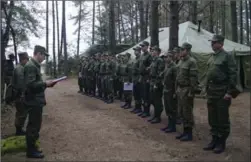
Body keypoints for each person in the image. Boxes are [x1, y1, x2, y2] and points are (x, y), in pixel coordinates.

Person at [203, 35, 237, 154]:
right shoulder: (212, 57)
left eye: (214, 42)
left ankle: (221, 142)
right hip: (212, 91)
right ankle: (214, 139)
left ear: (221, 43)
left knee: (222, 118)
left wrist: (229, 92)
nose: (212, 44)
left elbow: (233, 75)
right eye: (211, 42)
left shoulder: (227, 56)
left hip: (222, 91)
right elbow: (208, 74)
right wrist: (206, 89)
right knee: (212, 117)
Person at [24, 45, 56, 158]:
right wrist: (45, 84)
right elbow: (30, 85)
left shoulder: (34, 65)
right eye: (43, 55)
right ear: (38, 53)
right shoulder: (31, 66)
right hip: (33, 101)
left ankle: (33, 147)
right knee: (33, 126)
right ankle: (31, 151)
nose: (44, 58)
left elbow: (34, 84)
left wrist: (46, 85)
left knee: (35, 125)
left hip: (35, 100)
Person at [175, 42, 198, 141]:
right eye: (180, 50)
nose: (181, 51)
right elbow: (177, 76)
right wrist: (176, 88)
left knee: (187, 111)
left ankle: (189, 134)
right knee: (181, 111)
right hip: (180, 88)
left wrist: (191, 92)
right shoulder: (181, 61)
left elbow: (193, 79)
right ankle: (185, 131)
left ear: (187, 50)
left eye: (182, 50)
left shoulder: (192, 61)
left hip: (187, 89)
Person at [12, 52, 29, 135]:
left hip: (19, 95)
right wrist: (23, 94)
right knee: (22, 113)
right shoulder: (19, 69)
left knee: (21, 113)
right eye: (27, 59)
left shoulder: (20, 67)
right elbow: (20, 84)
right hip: (19, 96)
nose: (28, 61)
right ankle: (18, 131)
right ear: (23, 59)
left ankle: (19, 130)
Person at [160, 51, 177, 132]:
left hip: (171, 90)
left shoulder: (174, 67)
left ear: (171, 57)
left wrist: (175, 92)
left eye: (167, 57)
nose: (165, 59)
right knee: (167, 108)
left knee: (172, 108)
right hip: (166, 89)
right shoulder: (167, 66)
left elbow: (176, 81)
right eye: (165, 57)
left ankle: (173, 126)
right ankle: (169, 124)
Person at [147, 46, 165, 124]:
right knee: (152, 99)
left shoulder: (160, 60)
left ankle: (158, 117)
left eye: (154, 51)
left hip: (157, 83)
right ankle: (155, 115)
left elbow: (160, 73)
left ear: (158, 52)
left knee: (157, 100)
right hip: (152, 81)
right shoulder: (153, 61)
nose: (152, 52)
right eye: (152, 51)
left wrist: (156, 84)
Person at [137, 41, 153, 118]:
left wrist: (148, 78)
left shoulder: (149, 56)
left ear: (147, 46)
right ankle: (144, 110)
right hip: (142, 77)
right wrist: (140, 77)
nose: (142, 47)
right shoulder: (142, 55)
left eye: (143, 46)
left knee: (146, 94)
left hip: (146, 77)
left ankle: (147, 111)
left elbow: (151, 68)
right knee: (142, 94)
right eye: (141, 46)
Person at [130, 46, 142, 114]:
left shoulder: (140, 59)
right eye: (134, 51)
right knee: (135, 94)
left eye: (136, 51)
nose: (135, 52)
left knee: (138, 94)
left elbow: (141, 70)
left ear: (139, 51)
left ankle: (139, 108)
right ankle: (136, 107)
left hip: (138, 79)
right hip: (134, 78)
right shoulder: (135, 59)